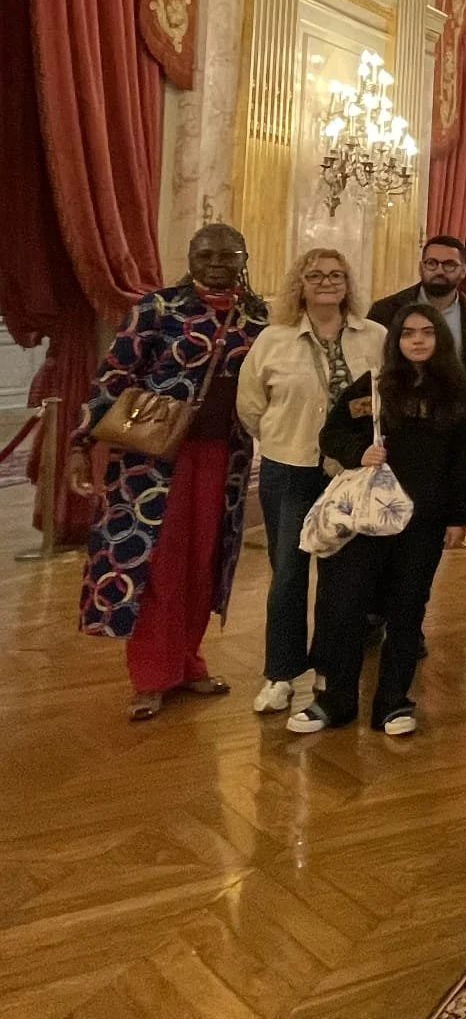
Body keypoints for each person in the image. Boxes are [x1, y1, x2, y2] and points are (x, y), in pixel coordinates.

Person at [71, 224, 268, 722]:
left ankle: (188, 661)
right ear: (190, 256)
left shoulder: (258, 316)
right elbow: (113, 376)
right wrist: (80, 444)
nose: (217, 263)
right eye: (205, 254)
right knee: (155, 564)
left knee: (205, 561)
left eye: (228, 255)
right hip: (151, 462)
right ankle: (151, 676)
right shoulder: (157, 308)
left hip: (224, 458)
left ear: (244, 258)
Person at [291, 301, 466, 735]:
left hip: (425, 520)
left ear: (440, 338)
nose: (418, 340)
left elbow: (465, 460)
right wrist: (357, 453)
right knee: (345, 607)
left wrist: (458, 516)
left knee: (407, 609)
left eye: (427, 332)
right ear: (396, 341)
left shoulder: (457, 392)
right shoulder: (374, 385)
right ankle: (334, 701)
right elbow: (332, 433)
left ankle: (394, 703)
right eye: (409, 333)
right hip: (365, 521)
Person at [236, 248, 384, 716]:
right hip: (292, 468)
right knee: (289, 575)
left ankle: (330, 671)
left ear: (348, 283)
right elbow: (251, 406)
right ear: (299, 283)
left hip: (353, 473)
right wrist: (284, 439)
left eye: (336, 275)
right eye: (316, 275)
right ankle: (281, 674)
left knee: (346, 578)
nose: (326, 282)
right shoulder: (273, 340)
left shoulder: (375, 336)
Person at [368, 235, 466, 386]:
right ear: (421, 268)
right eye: (431, 263)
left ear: (463, 271)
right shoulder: (385, 310)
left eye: (449, 264)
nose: (439, 271)